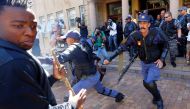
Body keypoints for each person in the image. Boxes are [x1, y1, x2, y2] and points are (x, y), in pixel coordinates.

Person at [0, 1, 86, 109]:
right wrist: (72, 105)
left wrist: (53, 78)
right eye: (18, 26)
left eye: (33, 26)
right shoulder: (14, 63)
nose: (31, 33)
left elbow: (31, 92)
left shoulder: (15, 51)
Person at [104, 14, 168, 109]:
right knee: (146, 83)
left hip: (155, 62)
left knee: (149, 82)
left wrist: (162, 59)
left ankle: (159, 100)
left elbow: (166, 45)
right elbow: (122, 47)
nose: (142, 25)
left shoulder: (156, 33)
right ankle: (155, 96)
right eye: (140, 23)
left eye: (145, 23)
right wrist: (110, 58)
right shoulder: (135, 35)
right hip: (144, 63)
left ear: (149, 24)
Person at [58, 30, 125, 103]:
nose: (66, 41)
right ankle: (119, 95)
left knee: (68, 97)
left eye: (66, 38)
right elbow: (91, 45)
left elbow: (60, 58)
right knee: (101, 90)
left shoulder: (73, 48)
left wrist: (47, 59)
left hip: (88, 79)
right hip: (95, 75)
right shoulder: (84, 43)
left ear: (72, 39)